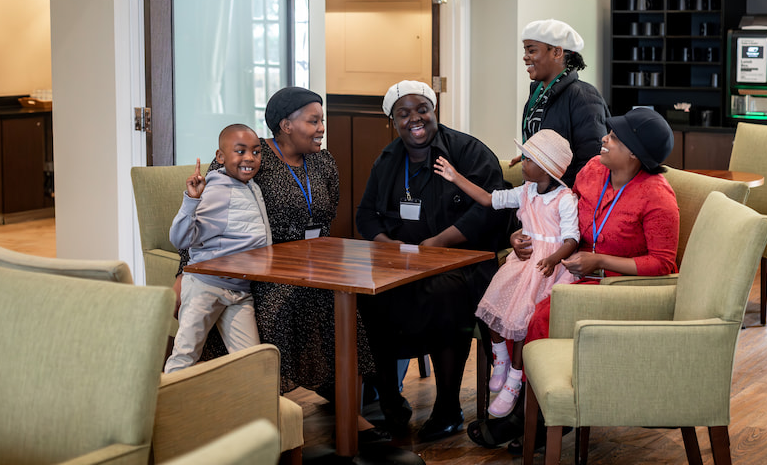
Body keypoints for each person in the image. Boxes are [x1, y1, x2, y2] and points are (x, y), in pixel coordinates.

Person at [467, 107, 680, 452]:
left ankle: (531, 417)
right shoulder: (594, 171)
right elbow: (557, 214)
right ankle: (525, 399)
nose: (604, 138)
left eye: (613, 136)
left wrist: (599, 259)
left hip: (614, 286)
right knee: (512, 301)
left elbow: (663, 264)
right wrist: (522, 234)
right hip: (570, 268)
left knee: (538, 317)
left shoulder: (657, 197)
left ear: (633, 153)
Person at [181, 87, 376, 398]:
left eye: (321, 121)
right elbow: (205, 215)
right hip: (263, 267)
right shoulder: (253, 157)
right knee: (288, 304)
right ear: (287, 125)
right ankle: (265, 400)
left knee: (351, 298)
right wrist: (185, 270)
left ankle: (346, 404)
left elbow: (328, 217)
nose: (322, 129)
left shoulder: (324, 161)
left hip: (316, 262)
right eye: (314, 122)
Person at [356, 80, 510, 442]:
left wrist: (439, 243)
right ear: (393, 120)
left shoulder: (468, 152)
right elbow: (365, 215)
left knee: (443, 295)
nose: (415, 119)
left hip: (463, 262)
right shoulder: (388, 159)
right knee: (367, 297)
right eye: (404, 113)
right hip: (404, 263)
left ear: (434, 110)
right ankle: (391, 403)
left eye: (422, 109)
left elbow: (492, 209)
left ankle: (447, 408)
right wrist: (387, 245)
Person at [433, 128, 579, 418]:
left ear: (545, 167)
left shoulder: (565, 199)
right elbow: (489, 200)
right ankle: (499, 358)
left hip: (545, 267)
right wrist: (455, 177)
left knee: (521, 319)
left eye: (527, 159)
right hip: (522, 261)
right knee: (491, 304)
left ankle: (514, 379)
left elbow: (571, 239)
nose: (519, 163)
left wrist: (553, 259)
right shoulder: (526, 191)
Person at [165, 124, 270, 374]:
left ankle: (254, 411)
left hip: (240, 290)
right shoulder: (217, 191)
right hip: (206, 286)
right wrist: (191, 200)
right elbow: (180, 239)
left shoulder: (252, 187)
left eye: (256, 152)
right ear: (220, 157)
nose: (250, 158)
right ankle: (165, 409)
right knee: (185, 354)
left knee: (251, 362)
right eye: (240, 151)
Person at [517, 18, 610, 186]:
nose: (525, 57)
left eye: (531, 51)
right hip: (536, 197)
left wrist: (568, 204)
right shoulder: (537, 94)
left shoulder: (584, 96)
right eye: (525, 51)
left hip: (563, 203)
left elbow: (592, 163)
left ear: (557, 52)